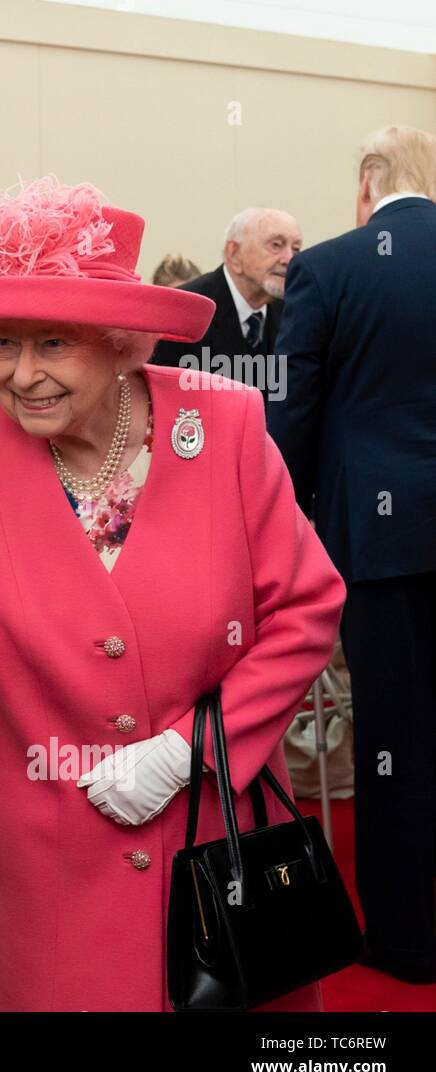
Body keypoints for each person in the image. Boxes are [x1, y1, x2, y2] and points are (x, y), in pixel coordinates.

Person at [0, 176, 345, 1011]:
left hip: (210, 850)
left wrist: (188, 754)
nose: (22, 375)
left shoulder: (225, 426)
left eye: (52, 343)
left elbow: (304, 609)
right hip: (46, 870)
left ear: (122, 342)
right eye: (2, 344)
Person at [269, 125, 436, 984]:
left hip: (381, 540)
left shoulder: (330, 266)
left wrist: (285, 522)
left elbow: (291, 411)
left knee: (395, 738)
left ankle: (408, 938)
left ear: (369, 180)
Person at [151, 208, 301, 404]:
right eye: (276, 245)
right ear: (234, 253)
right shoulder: (183, 310)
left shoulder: (294, 311)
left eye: (296, 249)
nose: (289, 259)